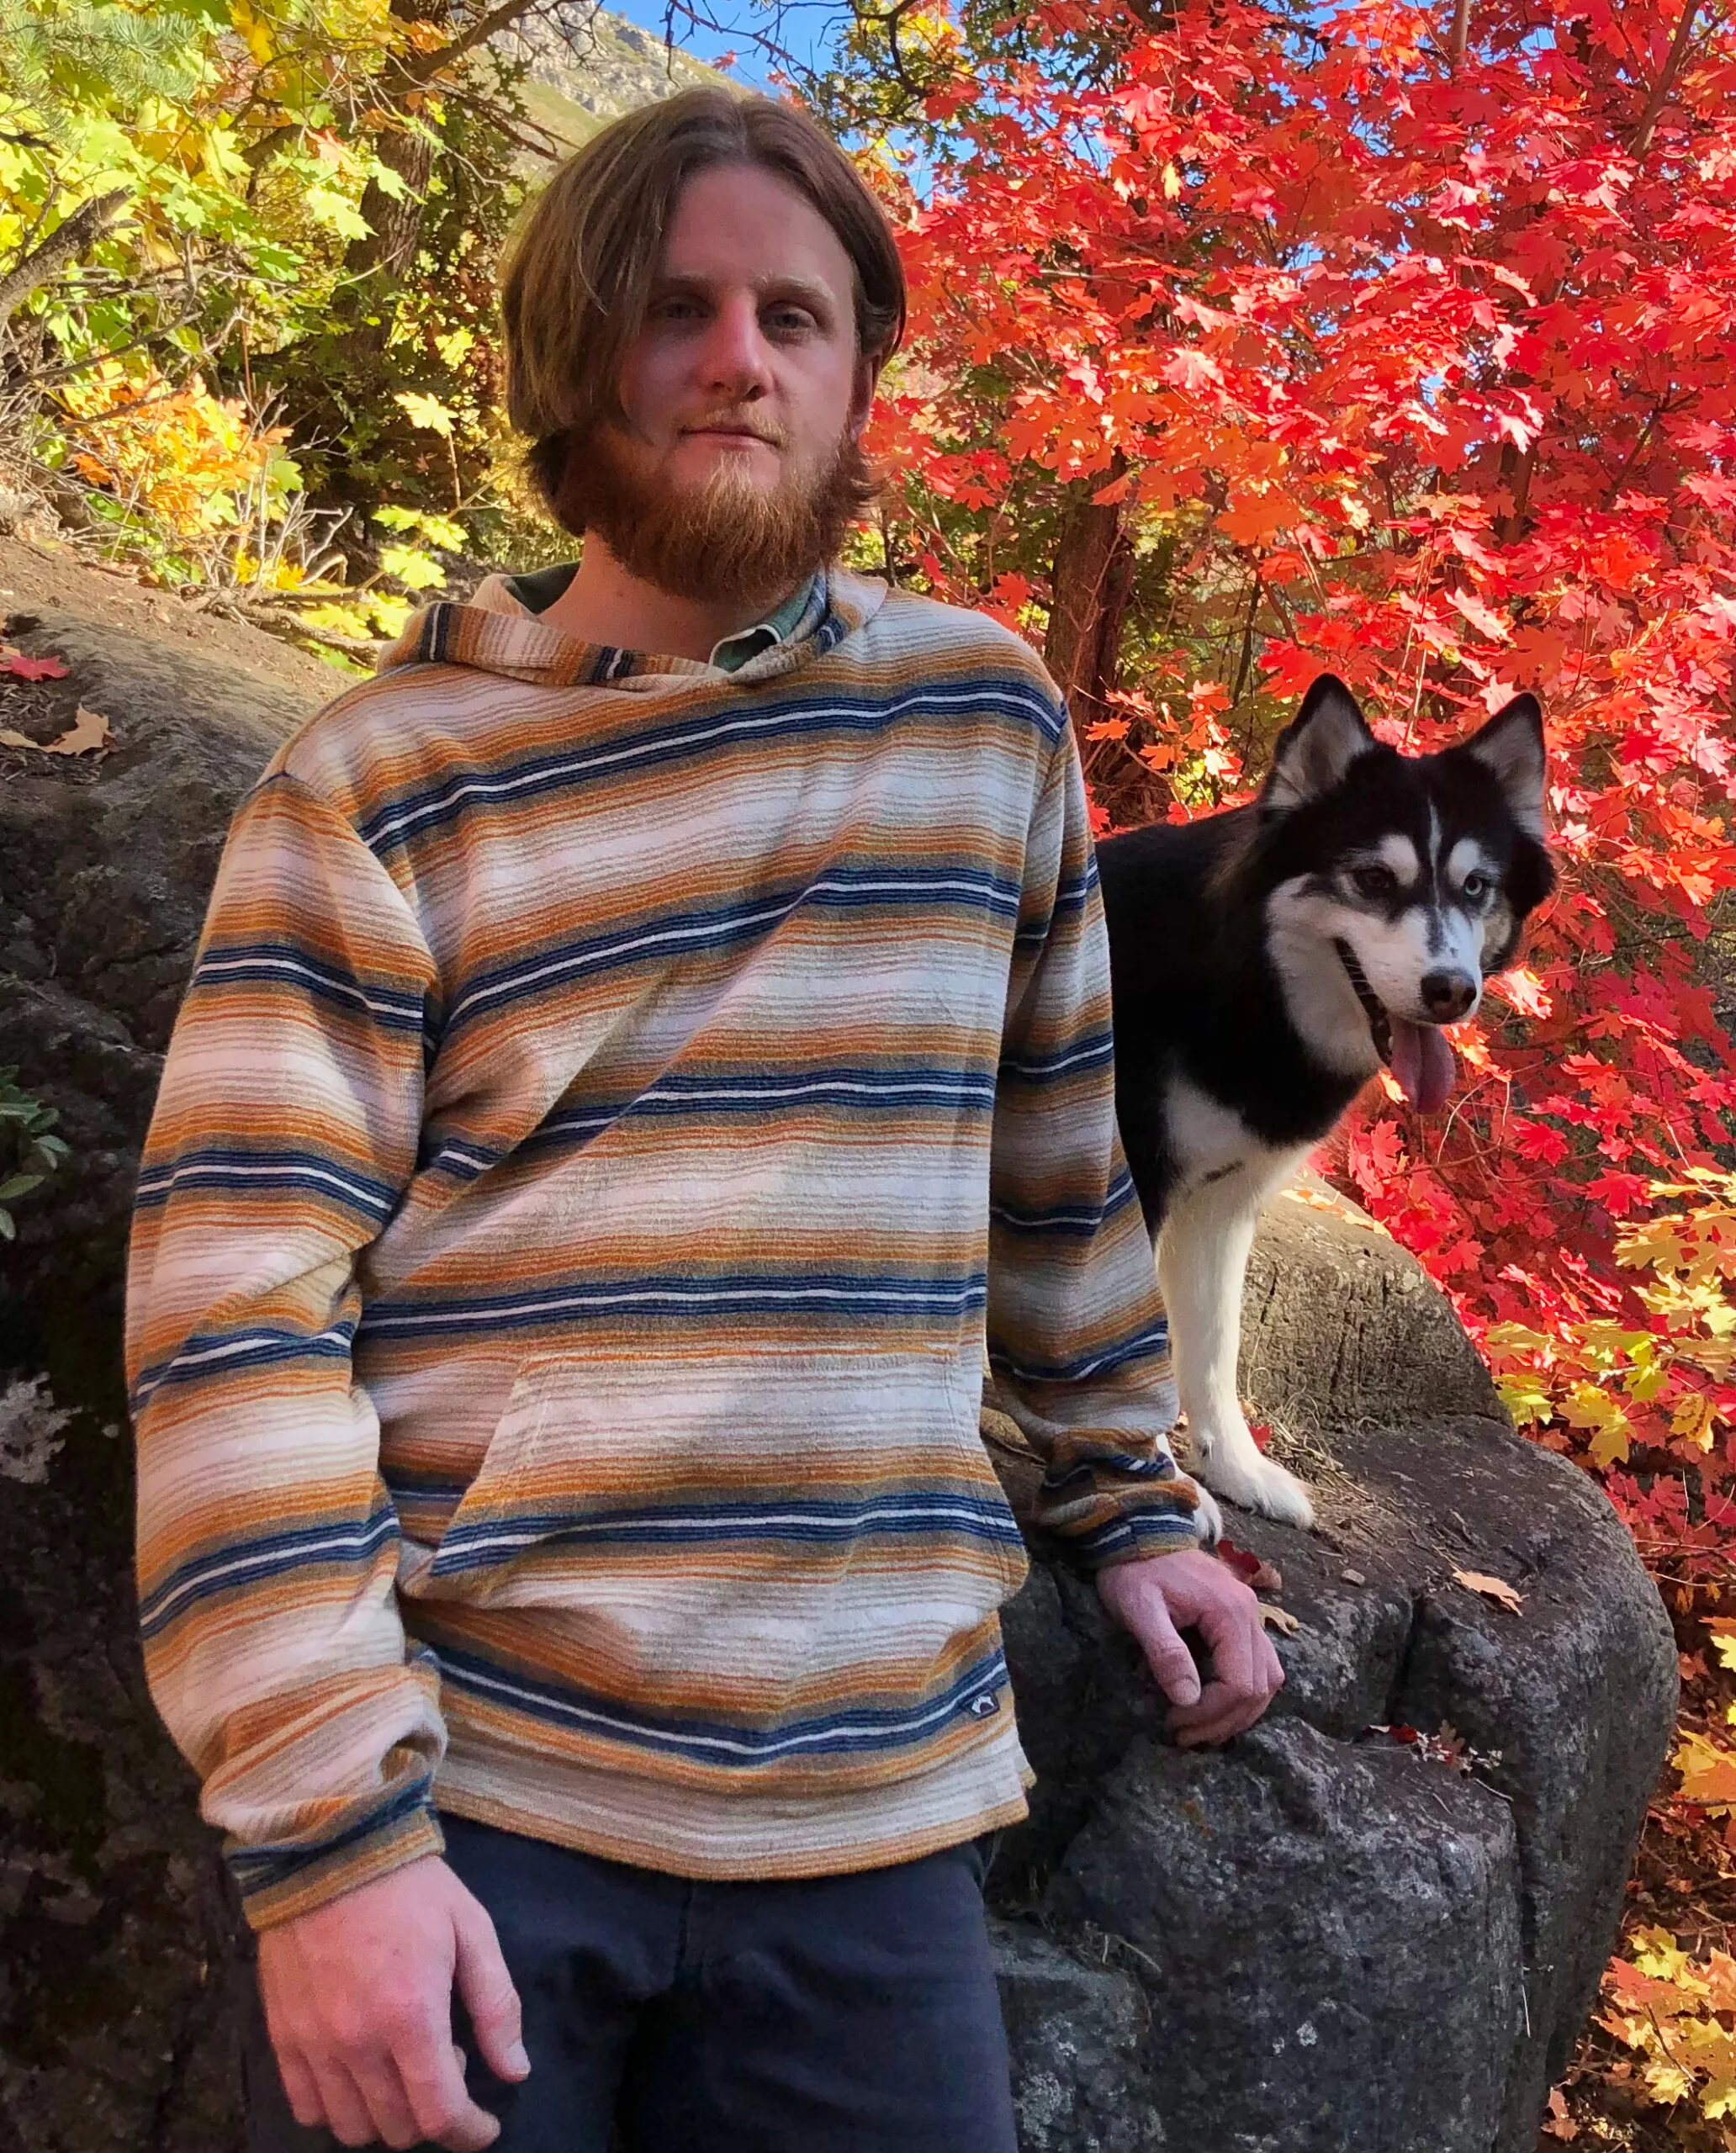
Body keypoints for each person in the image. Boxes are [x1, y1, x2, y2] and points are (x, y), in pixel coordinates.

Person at [124, 86, 1283, 2153]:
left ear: (858, 383)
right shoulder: (377, 782)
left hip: (874, 1823)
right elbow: (231, 1311)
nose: (739, 357)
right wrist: (329, 1845)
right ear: (577, 364)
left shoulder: (986, 726)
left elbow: (1055, 1177)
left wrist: (1132, 1498)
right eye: (677, 309)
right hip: (476, 1802)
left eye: (792, 315)